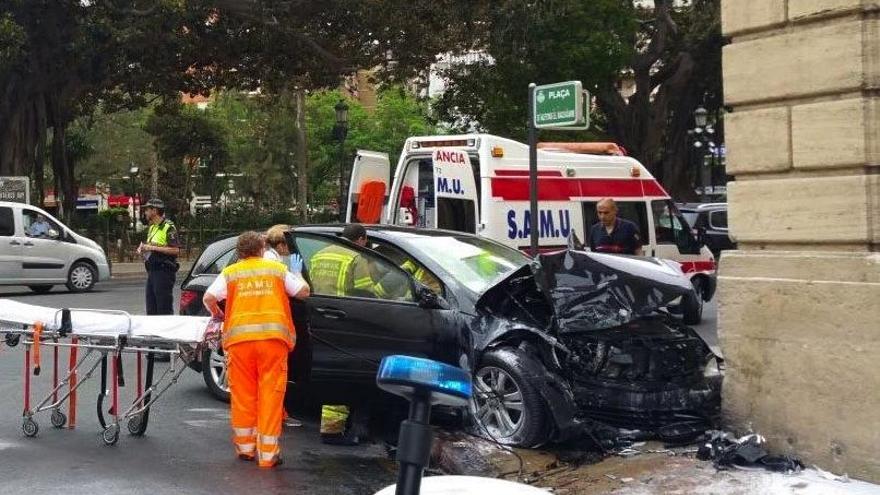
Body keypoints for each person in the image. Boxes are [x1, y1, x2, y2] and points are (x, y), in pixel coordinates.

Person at [202, 231, 310, 468]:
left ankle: (246, 448)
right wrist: (296, 272)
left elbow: (209, 297)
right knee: (270, 395)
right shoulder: (277, 270)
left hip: (239, 344)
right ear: (262, 249)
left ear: (239, 252)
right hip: (272, 342)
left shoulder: (231, 273)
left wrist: (218, 314)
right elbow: (303, 293)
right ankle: (269, 454)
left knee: (243, 395)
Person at [263, 224, 305, 428]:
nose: (291, 250)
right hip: (273, 332)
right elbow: (302, 292)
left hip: (256, 330)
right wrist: (297, 274)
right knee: (273, 380)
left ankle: (270, 415)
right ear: (280, 245)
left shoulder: (265, 260)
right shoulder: (276, 266)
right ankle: (276, 416)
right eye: (289, 245)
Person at [138, 198, 180, 316]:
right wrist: (144, 248)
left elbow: (175, 250)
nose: (145, 212)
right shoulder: (152, 227)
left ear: (154, 211)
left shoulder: (168, 227)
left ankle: (166, 333)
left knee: (164, 308)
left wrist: (152, 248)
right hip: (152, 271)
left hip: (164, 272)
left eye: (147, 210)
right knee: (151, 309)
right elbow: (152, 245)